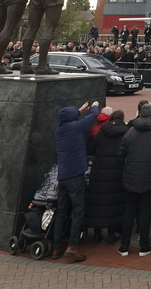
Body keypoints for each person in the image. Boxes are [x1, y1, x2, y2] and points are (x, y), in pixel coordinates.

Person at [118, 101, 151, 257]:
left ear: (139, 113)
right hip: (149, 177)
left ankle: (124, 246)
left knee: (129, 211)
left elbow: (120, 153)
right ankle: (144, 246)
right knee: (145, 212)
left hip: (130, 177)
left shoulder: (130, 132)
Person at [51, 100, 100, 262]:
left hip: (62, 176)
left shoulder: (59, 130)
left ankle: (57, 246)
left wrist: (78, 110)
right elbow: (92, 116)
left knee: (61, 212)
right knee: (79, 210)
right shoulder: (76, 127)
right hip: (76, 176)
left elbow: (69, 118)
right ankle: (73, 246)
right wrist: (94, 106)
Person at [85, 109, 126, 244]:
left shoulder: (101, 133)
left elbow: (91, 149)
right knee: (114, 203)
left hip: (99, 172)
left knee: (97, 202)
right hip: (116, 172)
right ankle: (111, 234)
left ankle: (96, 233)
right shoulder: (125, 133)